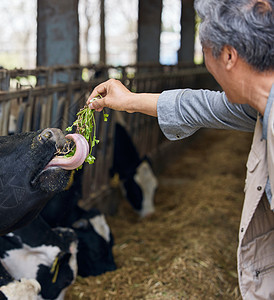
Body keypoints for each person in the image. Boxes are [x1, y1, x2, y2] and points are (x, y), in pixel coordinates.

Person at [87, 0, 274, 298]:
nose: (207, 68)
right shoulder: (259, 106)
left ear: (228, 55)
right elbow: (201, 106)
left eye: (206, 54)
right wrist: (129, 100)